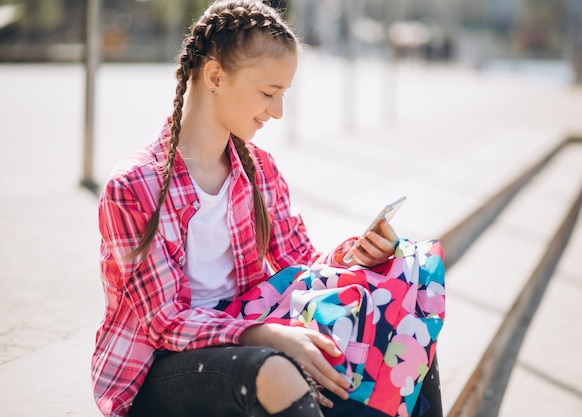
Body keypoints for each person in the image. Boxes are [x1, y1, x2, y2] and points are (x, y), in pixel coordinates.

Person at [91, 1, 443, 417]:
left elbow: (299, 263)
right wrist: (268, 336)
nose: (277, 112)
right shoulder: (134, 186)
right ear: (215, 76)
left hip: (251, 337)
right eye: (268, 93)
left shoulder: (259, 171)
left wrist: (357, 255)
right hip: (160, 371)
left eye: (283, 95)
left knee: (403, 321)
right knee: (277, 368)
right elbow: (164, 322)